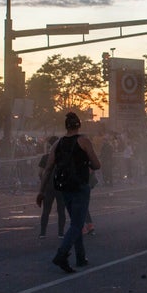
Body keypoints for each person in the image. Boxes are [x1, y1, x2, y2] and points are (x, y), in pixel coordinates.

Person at [36, 112, 101, 273]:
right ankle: (62, 254)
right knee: (77, 224)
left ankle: (80, 257)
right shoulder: (84, 141)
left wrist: (41, 191)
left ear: (66, 127)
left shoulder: (57, 144)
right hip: (80, 186)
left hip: (64, 187)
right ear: (79, 125)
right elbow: (97, 164)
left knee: (75, 223)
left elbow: (48, 168)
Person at [37, 136, 66, 239]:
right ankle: (61, 233)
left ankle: (43, 232)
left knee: (46, 210)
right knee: (61, 210)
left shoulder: (45, 157)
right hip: (60, 187)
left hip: (48, 187)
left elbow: (40, 173)